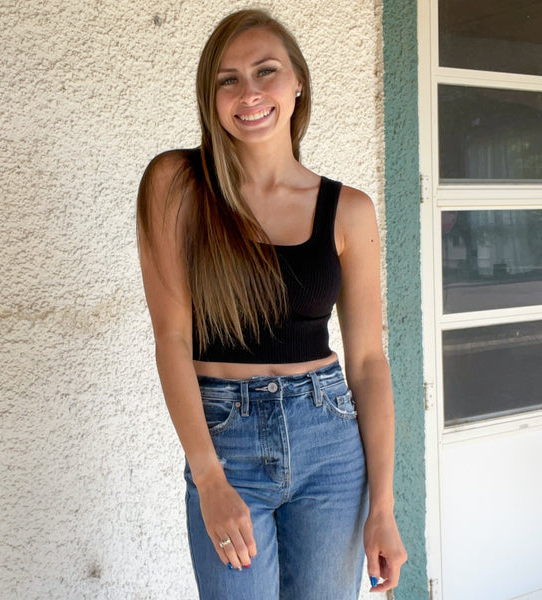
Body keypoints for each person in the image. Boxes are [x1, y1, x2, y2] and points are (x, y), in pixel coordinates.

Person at [136, 8, 407, 599]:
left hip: (330, 442)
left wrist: (384, 506)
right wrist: (208, 476)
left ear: (298, 81)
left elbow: (367, 364)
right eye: (227, 79)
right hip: (225, 440)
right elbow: (172, 339)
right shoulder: (177, 185)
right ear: (210, 96)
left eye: (266, 71)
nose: (249, 93)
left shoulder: (349, 210)